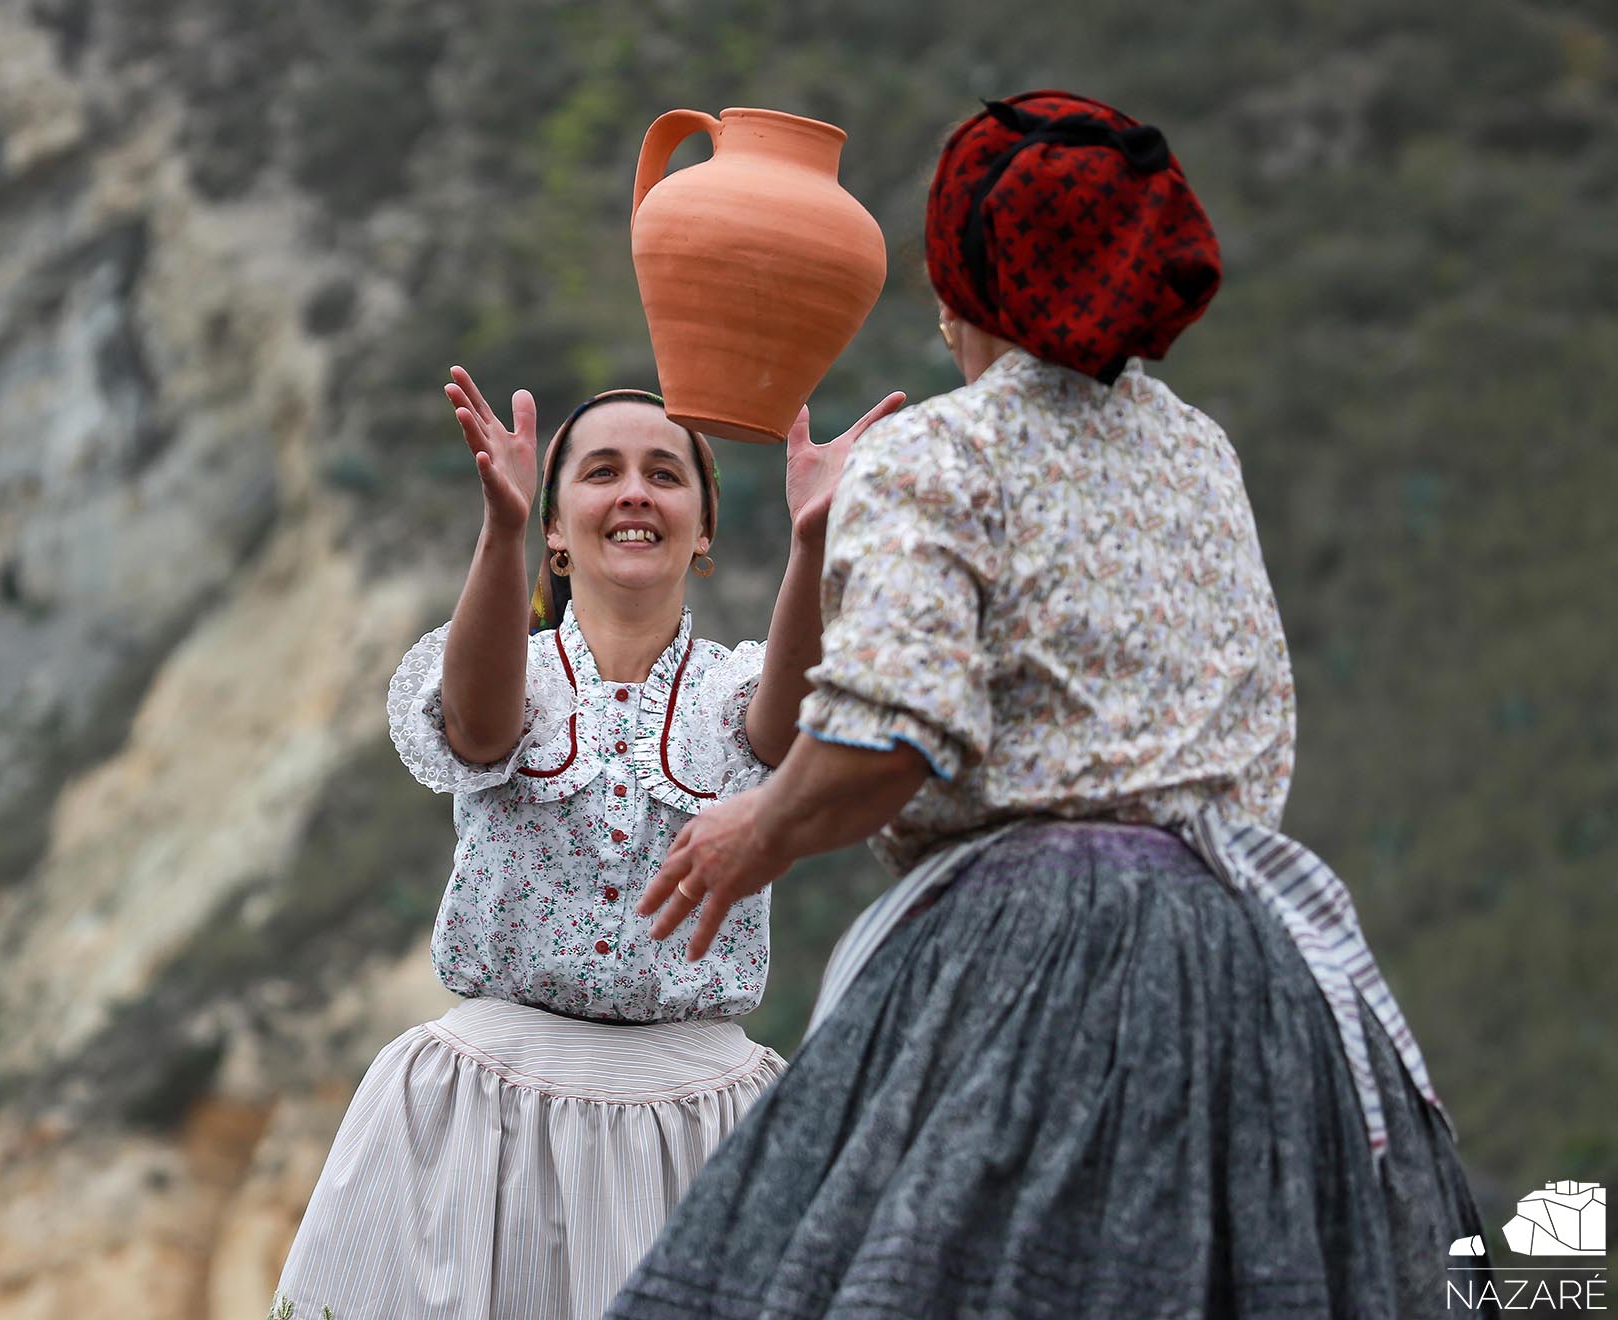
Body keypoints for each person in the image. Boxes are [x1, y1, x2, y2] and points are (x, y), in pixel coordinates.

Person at [608, 92, 1493, 1319]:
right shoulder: (1200, 453)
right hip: (1244, 958)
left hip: (1030, 961)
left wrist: (753, 836)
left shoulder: (941, 457)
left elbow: (888, 738)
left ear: (958, 285)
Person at [268, 367, 904, 1319]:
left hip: (698, 1127)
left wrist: (815, 539)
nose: (635, 491)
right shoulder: (514, 678)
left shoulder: (734, 696)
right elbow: (479, 729)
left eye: (665, 473)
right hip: (488, 1117)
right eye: (601, 471)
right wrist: (501, 529)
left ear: (704, 532)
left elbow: (792, 724)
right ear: (557, 529)